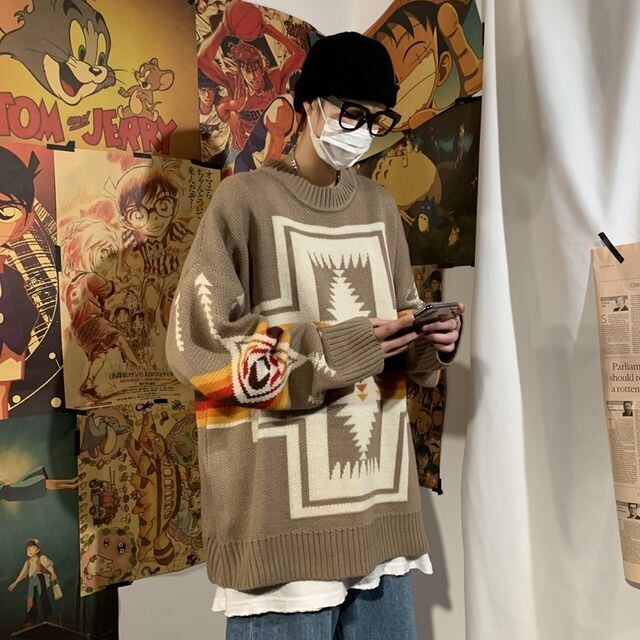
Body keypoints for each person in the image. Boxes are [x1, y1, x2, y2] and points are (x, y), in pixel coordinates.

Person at [166, 32, 465, 639]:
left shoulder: (380, 207)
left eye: (375, 119)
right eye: (350, 112)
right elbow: (196, 343)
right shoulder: (244, 201)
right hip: (278, 531)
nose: (361, 131)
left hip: (381, 515)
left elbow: (396, 334)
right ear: (307, 104)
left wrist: (429, 340)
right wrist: (333, 351)